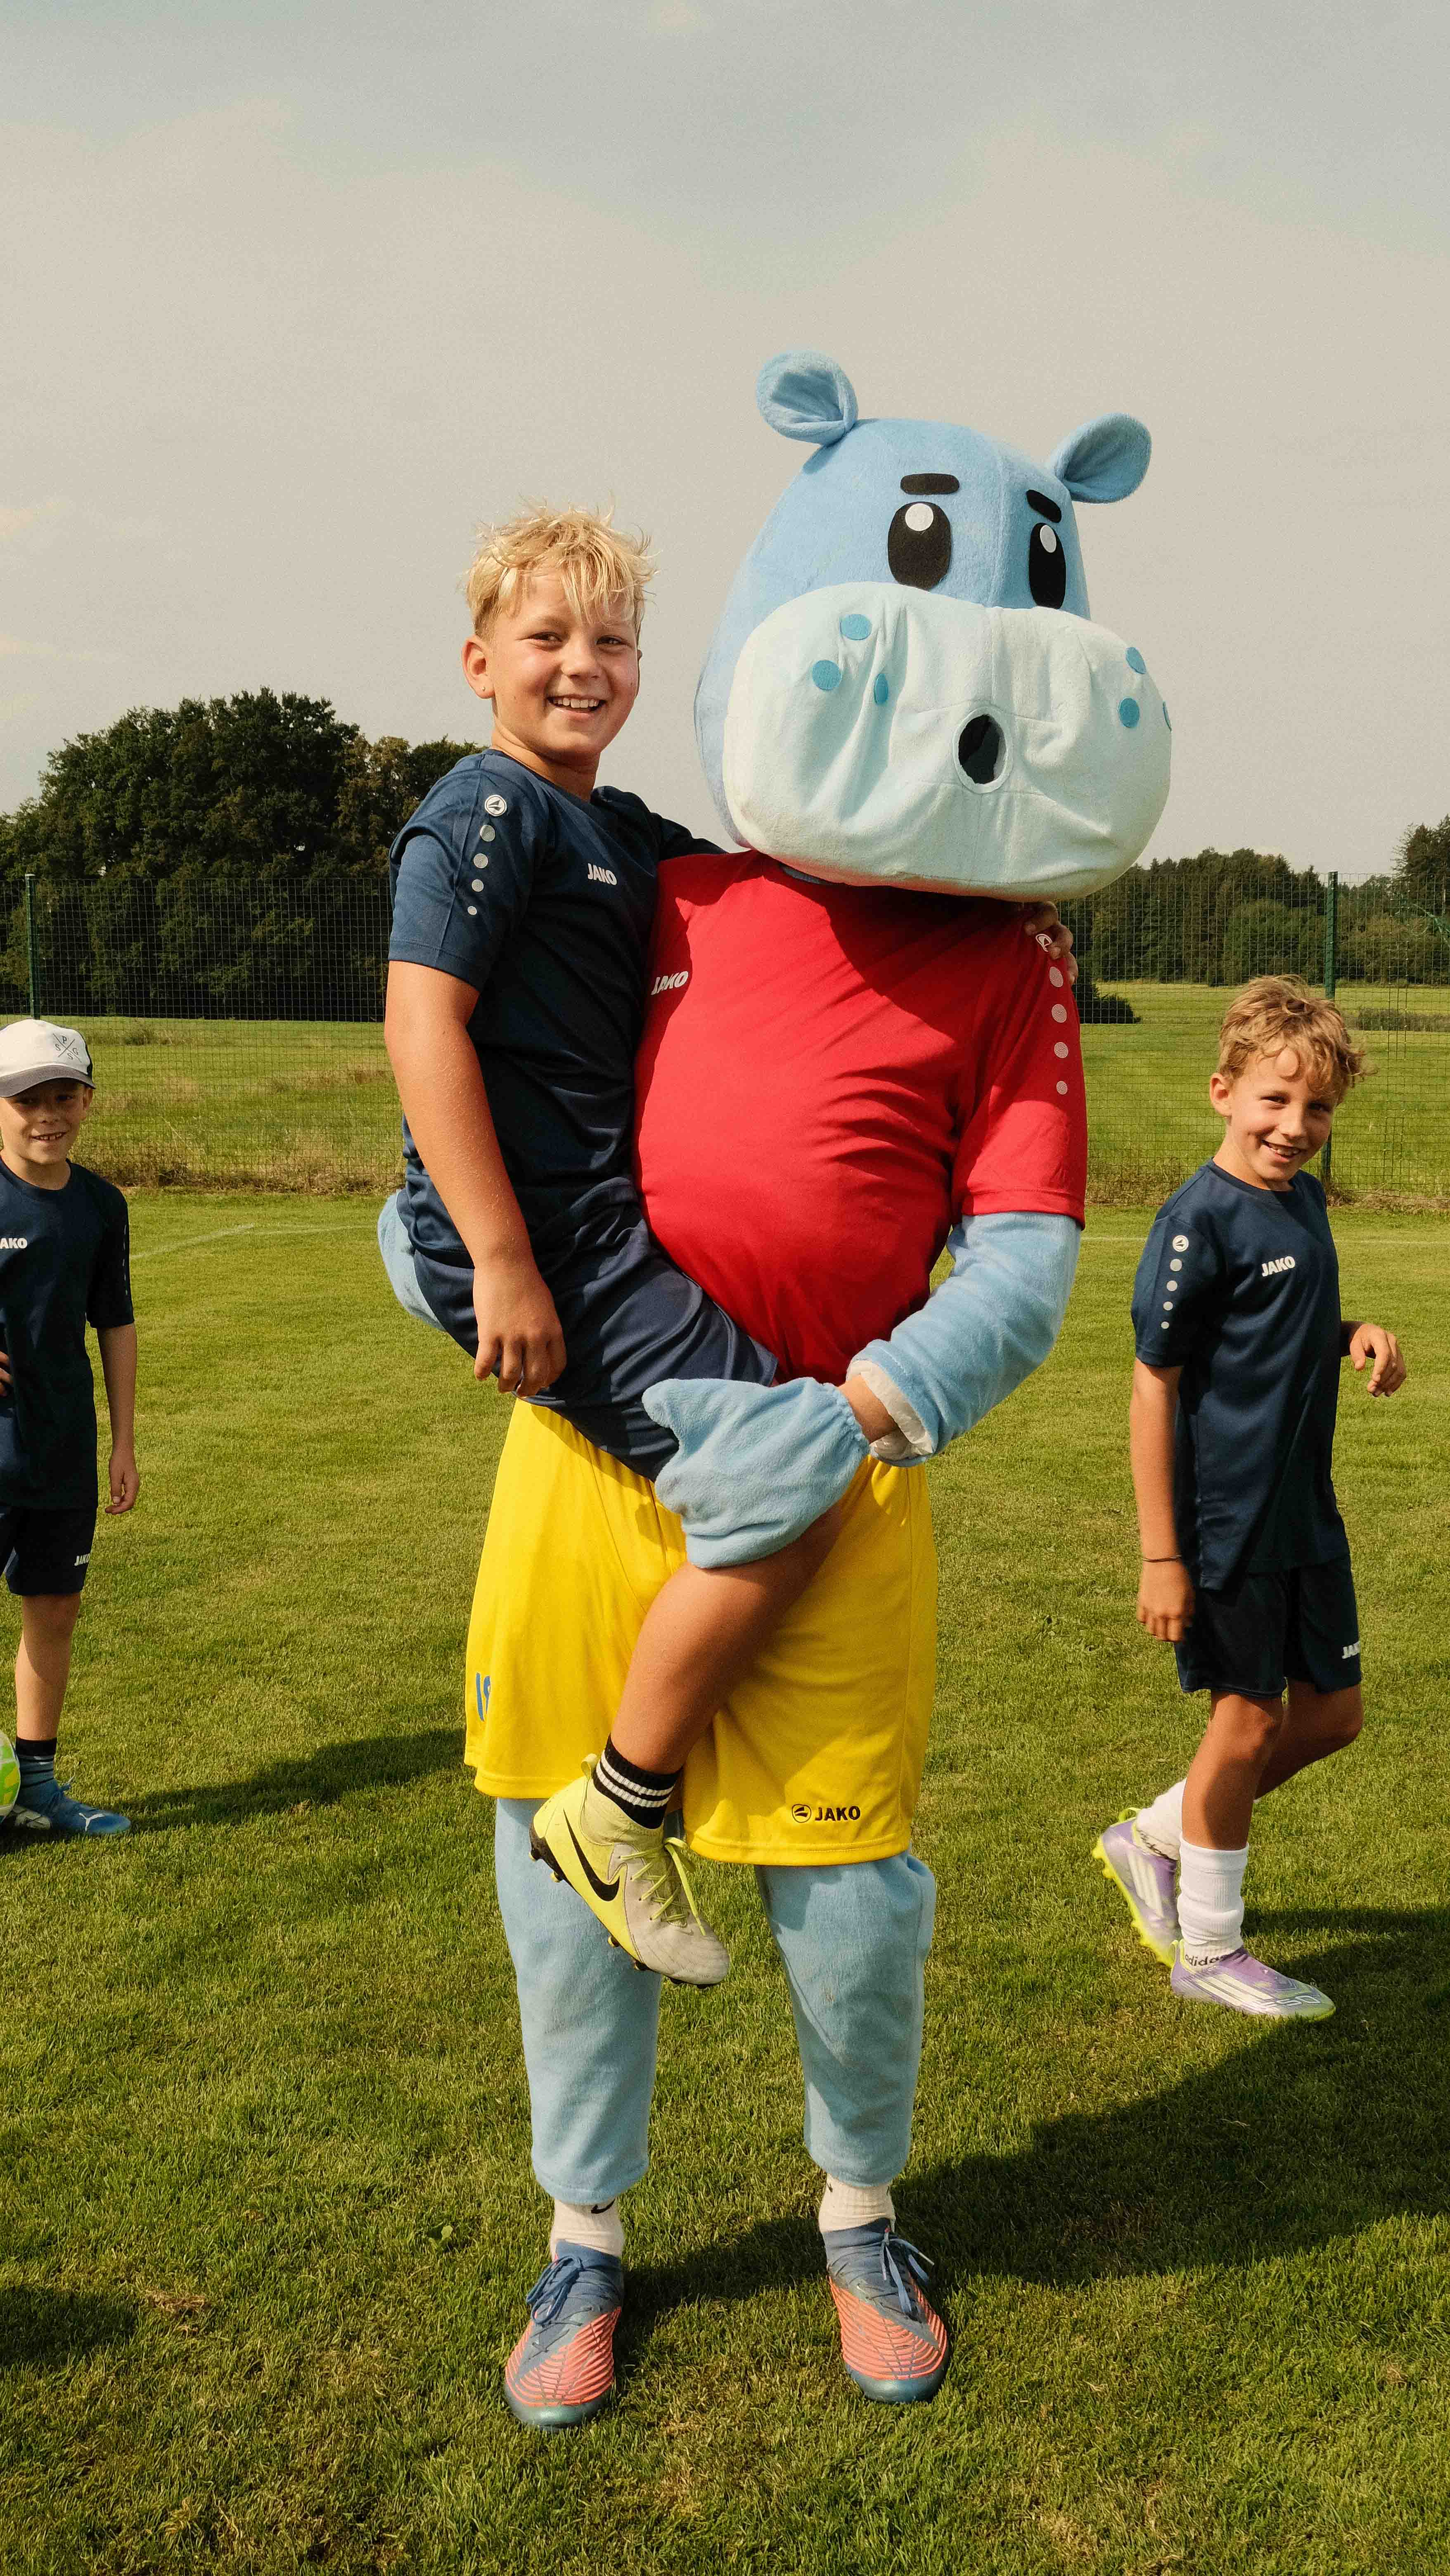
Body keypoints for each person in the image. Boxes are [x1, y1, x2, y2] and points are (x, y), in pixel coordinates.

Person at [379, 505, 1072, 1990]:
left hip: (597, 1240)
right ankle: (618, 1811)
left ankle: (624, 1796)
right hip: (557, 1248)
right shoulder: (483, 811)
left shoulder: (620, 835)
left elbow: (803, 883)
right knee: (796, 1487)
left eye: (612, 641)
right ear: (478, 661)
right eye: (548, 638)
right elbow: (422, 1018)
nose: (583, 667)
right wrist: (496, 1262)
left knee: (794, 1483)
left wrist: (996, 897)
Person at [1093, 977, 1406, 2018]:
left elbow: (1277, 1328)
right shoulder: (1196, 1223)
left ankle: (1156, 1835)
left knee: (1335, 1715)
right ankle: (1210, 1950)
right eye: (1274, 1101)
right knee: (1248, 1721)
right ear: (1222, 1090)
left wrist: (1347, 1331)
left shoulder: (1302, 1201)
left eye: (1315, 1109)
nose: (1295, 1126)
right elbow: (1156, 1379)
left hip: (1302, 1511)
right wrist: (1161, 1555)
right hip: (1224, 1522)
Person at [0, 1019, 138, 1840]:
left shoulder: (99, 1204)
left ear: (86, 1100)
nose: (46, 1116)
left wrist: (123, 1442)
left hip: (63, 1453)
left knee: (54, 1609)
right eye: (27, 1101)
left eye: (63, 1097)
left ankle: (38, 1789)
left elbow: (113, 1323)